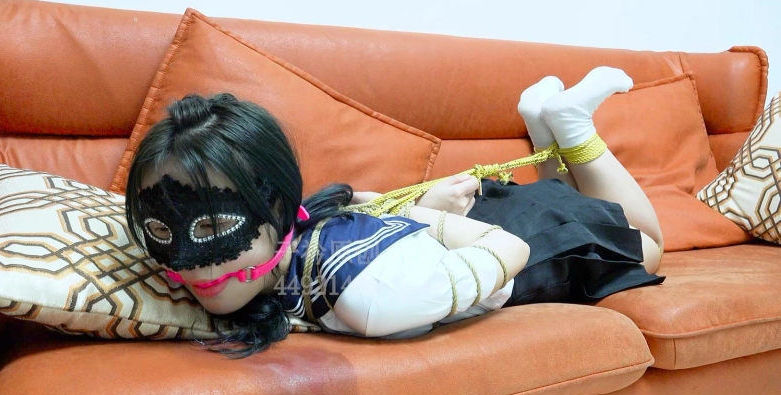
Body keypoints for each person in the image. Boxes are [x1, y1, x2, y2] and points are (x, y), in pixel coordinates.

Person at [124, 66, 664, 358]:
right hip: (467, 230)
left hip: (508, 248)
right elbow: (353, 203)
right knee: (575, 206)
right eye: (161, 228)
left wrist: (431, 216)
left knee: (649, 242)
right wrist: (424, 206)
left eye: (214, 225)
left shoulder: (370, 295)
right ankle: (544, 121)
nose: (189, 260)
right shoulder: (298, 232)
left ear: (275, 206)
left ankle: (571, 126)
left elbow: (513, 247)